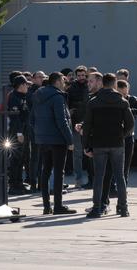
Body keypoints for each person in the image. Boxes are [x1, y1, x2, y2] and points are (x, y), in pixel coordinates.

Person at [82, 73, 135, 218]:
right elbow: (130, 124)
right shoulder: (122, 102)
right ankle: (123, 208)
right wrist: (122, 135)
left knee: (99, 177)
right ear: (115, 84)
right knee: (120, 177)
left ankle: (97, 208)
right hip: (117, 143)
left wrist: (86, 145)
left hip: (99, 143)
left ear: (102, 83)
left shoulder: (93, 102)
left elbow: (87, 126)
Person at [30, 72, 76, 215]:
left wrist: (39, 134)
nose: (64, 83)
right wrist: (70, 140)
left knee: (45, 171)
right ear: (57, 81)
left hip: (43, 140)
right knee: (58, 172)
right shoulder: (57, 97)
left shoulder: (37, 95)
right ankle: (58, 206)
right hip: (58, 140)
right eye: (63, 80)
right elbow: (62, 121)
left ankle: (46, 206)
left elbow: (32, 119)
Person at [7, 74, 33, 195]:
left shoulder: (23, 96)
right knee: (16, 159)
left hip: (25, 130)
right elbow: (15, 117)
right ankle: (13, 185)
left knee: (22, 158)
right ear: (21, 85)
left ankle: (19, 182)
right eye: (26, 84)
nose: (27, 86)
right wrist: (19, 133)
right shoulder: (14, 97)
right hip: (18, 132)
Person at [116, 79, 137, 184]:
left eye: (125, 93)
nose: (124, 97)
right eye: (121, 94)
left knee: (126, 163)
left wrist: (127, 111)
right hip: (115, 136)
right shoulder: (112, 100)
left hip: (128, 135)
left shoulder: (132, 99)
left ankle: (123, 186)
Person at [67, 66, 90, 188]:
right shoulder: (71, 88)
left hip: (88, 123)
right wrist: (69, 111)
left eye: (83, 75)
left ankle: (92, 179)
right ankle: (78, 179)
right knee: (77, 153)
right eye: (79, 75)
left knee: (91, 151)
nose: (81, 77)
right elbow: (67, 103)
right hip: (75, 123)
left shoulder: (89, 86)